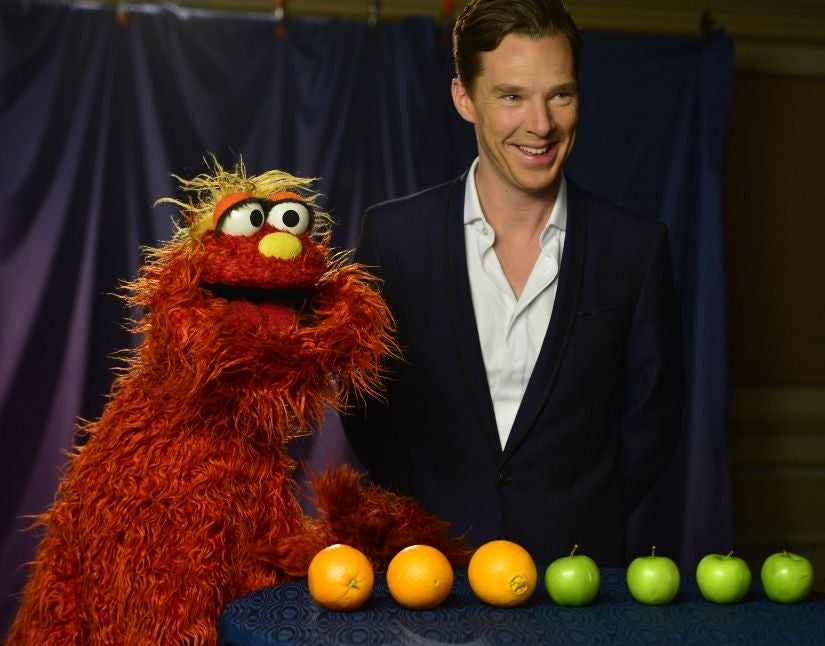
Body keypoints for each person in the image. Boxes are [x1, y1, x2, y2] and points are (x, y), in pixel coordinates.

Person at [341, 0, 684, 567]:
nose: (541, 124)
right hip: (427, 574)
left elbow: (653, 420)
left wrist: (578, 510)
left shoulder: (637, 248)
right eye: (512, 96)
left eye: (560, 94)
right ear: (464, 99)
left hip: (577, 577)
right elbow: (366, 409)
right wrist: (428, 510)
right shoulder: (394, 237)